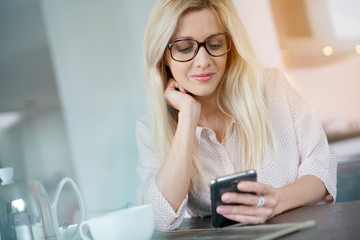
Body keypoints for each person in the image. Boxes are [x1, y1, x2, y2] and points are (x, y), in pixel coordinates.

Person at [136, 0, 337, 231]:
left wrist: (276, 201)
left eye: (215, 43)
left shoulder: (272, 87)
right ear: (164, 58)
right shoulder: (149, 130)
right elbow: (162, 218)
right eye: (184, 48)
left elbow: (322, 167)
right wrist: (188, 118)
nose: (203, 61)